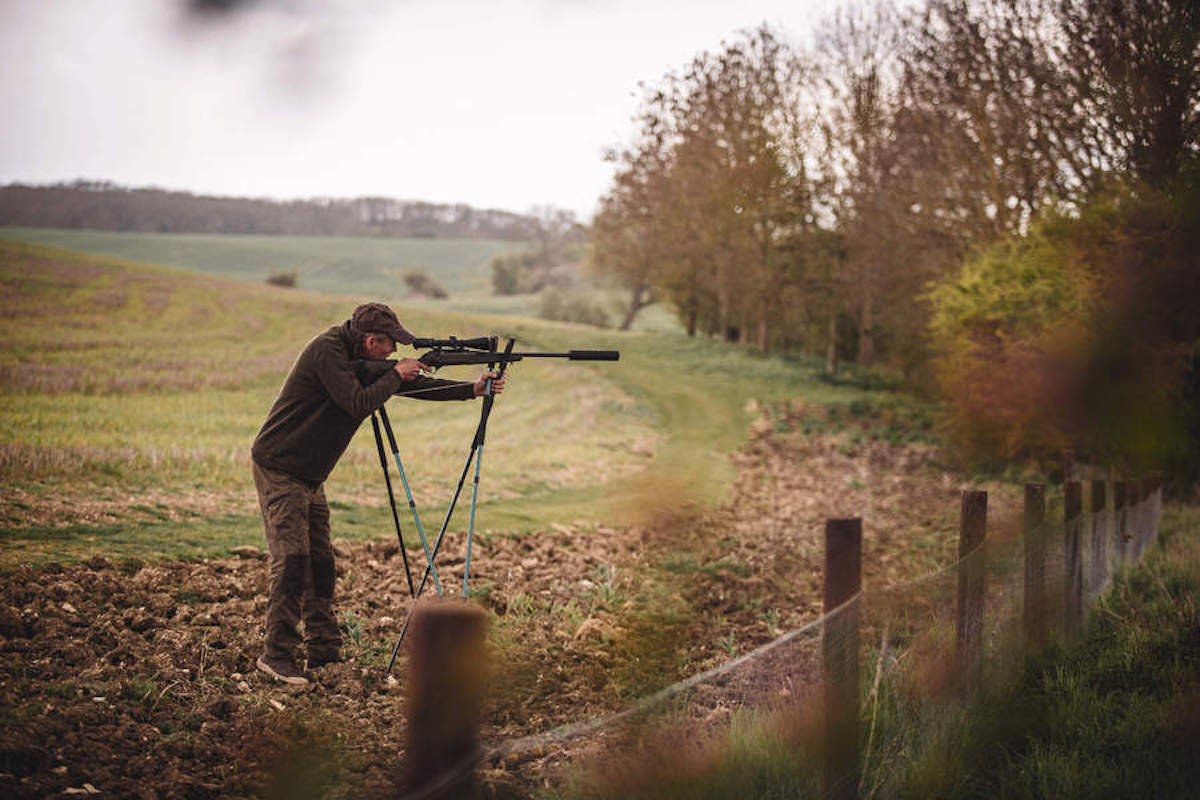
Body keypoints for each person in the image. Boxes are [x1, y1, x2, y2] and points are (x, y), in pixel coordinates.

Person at [250, 302, 504, 685]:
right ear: (371, 341)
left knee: (320, 563)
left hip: (310, 475)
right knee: (292, 560)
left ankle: (324, 650)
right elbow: (358, 401)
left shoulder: (360, 358)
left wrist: (471, 389)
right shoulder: (327, 351)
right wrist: (397, 375)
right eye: (389, 346)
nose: (394, 353)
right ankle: (276, 656)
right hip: (280, 467)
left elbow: (407, 385)